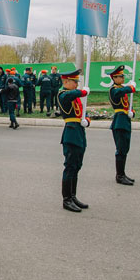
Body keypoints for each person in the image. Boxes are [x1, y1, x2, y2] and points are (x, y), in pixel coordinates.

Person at [57, 69, 90, 212]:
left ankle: (73, 195)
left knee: (77, 166)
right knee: (70, 167)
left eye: (77, 82)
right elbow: (72, 94)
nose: (77, 84)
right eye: (74, 82)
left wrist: (86, 120)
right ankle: (66, 199)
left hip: (79, 132)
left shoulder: (75, 97)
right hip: (70, 133)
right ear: (65, 82)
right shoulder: (63, 94)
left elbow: (82, 112)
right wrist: (83, 91)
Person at [108, 65, 136, 186]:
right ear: (114, 78)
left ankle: (122, 173)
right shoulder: (113, 90)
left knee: (125, 149)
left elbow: (127, 104)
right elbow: (119, 92)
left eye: (123, 76)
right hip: (119, 121)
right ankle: (119, 176)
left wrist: (132, 111)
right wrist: (130, 87)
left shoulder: (122, 89)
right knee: (120, 149)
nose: (123, 78)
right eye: (120, 76)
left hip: (125, 120)